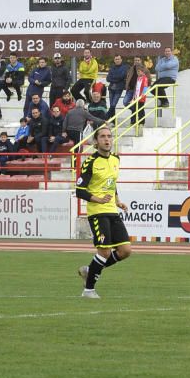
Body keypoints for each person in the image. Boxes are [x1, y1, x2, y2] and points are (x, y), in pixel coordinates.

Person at [77, 125, 132, 298]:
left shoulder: (116, 159)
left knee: (125, 250)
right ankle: (89, 290)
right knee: (105, 251)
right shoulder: (90, 162)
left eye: (109, 136)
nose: (107, 139)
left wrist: (117, 200)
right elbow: (79, 190)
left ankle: (90, 269)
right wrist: (98, 199)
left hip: (112, 210)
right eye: (103, 137)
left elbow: (111, 183)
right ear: (96, 141)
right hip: (97, 212)